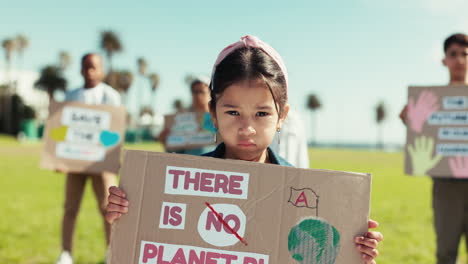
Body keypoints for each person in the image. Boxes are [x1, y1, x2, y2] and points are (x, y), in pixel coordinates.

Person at [106, 35, 382, 263]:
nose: (247, 128)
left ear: (282, 116)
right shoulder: (177, 185)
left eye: (261, 114)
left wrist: (352, 251)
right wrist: (127, 213)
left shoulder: (302, 192)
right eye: (233, 112)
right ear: (213, 113)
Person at [400, 33, 468, 264]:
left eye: (465, 54)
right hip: (445, 185)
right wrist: (409, 118)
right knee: (445, 253)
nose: (459, 60)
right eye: (453, 55)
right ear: (444, 60)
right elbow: (420, 132)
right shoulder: (430, 101)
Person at [56, 53, 121, 264]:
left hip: (101, 163)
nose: (90, 72)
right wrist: (59, 158)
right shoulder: (71, 95)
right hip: (75, 163)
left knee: (107, 207)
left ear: (102, 70)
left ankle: (111, 252)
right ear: (80, 69)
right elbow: (61, 129)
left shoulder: (110, 96)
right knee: (70, 207)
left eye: (94, 67)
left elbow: (115, 129)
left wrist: (112, 158)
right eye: (86, 67)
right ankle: (66, 253)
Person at [159, 76, 216, 155]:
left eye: (201, 91)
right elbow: (174, 152)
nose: (198, 95)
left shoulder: (219, 116)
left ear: (211, 93)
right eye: (194, 92)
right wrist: (165, 140)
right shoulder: (180, 119)